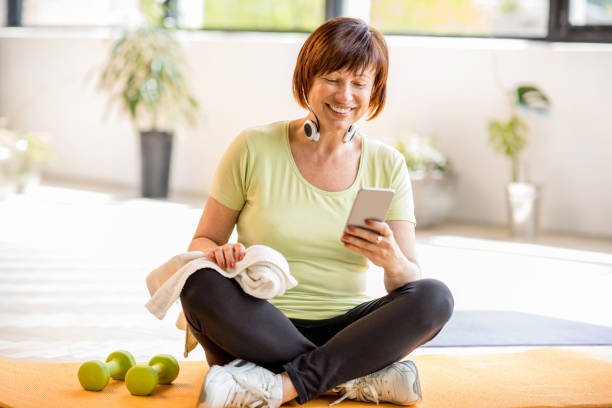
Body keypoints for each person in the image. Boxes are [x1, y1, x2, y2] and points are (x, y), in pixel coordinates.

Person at [180, 17, 454, 408]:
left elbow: (407, 282)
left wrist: (392, 260)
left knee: (435, 297)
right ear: (307, 78)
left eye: (360, 83)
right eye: (332, 79)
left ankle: (278, 384)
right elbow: (202, 240)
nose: (345, 95)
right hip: (259, 322)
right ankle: (354, 377)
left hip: (349, 330)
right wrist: (218, 254)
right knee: (197, 282)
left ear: (374, 89)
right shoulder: (252, 147)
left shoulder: (387, 164)